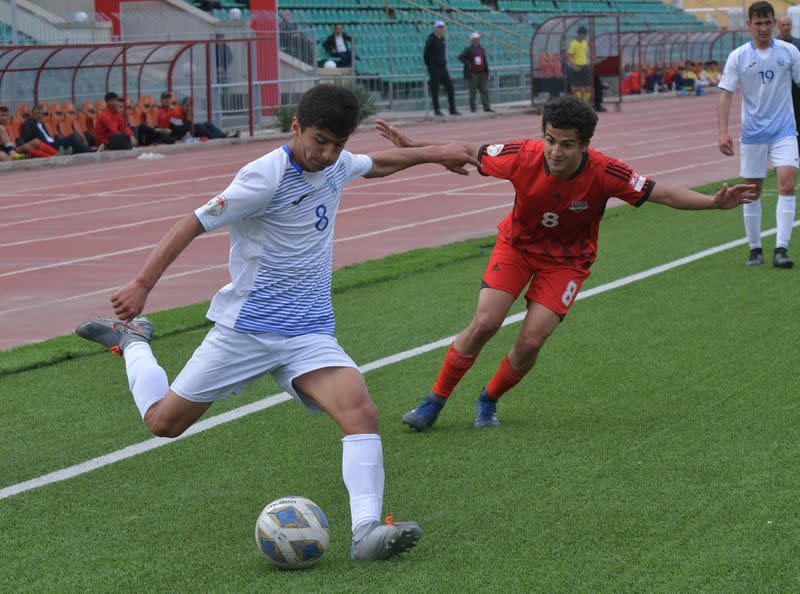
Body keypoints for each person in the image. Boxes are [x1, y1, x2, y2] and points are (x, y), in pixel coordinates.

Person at [74, 84, 478, 560]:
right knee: (164, 422)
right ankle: (134, 341)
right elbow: (191, 223)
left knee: (360, 411)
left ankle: (366, 531)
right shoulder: (263, 177)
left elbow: (376, 165)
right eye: (319, 141)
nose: (327, 155)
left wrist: (435, 155)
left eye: (337, 144)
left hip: (308, 333)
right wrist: (143, 285)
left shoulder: (336, 163)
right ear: (296, 128)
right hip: (246, 331)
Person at [374, 95, 754, 431]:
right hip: (517, 247)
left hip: (568, 263)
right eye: (551, 140)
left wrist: (713, 203)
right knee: (485, 322)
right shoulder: (523, 155)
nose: (555, 151)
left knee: (531, 340)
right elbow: (460, 149)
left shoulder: (607, 173)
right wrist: (413, 146)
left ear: (585, 145)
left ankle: (488, 399)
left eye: (567, 145)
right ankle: (433, 402)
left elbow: (663, 194)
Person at [718, 1, 800, 268]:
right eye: (758, 23)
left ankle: (781, 249)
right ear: (749, 25)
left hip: (784, 131)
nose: (763, 28)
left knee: (787, 184)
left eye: (768, 23)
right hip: (753, 134)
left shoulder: (789, 52)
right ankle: (755, 249)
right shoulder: (738, 56)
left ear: (774, 23)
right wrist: (723, 132)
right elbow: (726, 94)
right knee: (752, 191)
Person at [20, 103, 92, 154]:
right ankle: (91, 153)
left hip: (53, 143)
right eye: (37, 113)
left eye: (42, 114)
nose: (40, 116)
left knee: (74, 147)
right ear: (32, 113)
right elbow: (25, 138)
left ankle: (88, 153)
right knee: (72, 138)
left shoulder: (41, 123)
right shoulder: (30, 124)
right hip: (48, 146)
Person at [423, 20, 460, 116]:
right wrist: (430, 65)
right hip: (434, 68)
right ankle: (437, 110)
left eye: (443, 27)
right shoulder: (431, 39)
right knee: (435, 90)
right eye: (440, 27)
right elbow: (425, 54)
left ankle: (452, 109)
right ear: (436, 28)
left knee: (450, 88)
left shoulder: (442, 39)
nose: (442, 28)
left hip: (443, 67)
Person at [777, 15, 800, 154]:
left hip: (797, 90)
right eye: (783, 25)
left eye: (788, 25)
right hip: (780, 92)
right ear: (778, 26)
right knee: (782, 123)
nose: (786, 27)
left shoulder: (798, 43)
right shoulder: (774, 45)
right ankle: (782, 155)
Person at [458, 32, 493, 113]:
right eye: (476, 39)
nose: (478, 40)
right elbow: (461, 57)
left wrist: (486, 71)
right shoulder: (468, 49)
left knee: (484, 90)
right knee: (473, 91)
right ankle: (473, 108)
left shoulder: (481, 49)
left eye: (478, 39)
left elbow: (484, 60)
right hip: (473, 73)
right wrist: (468, 64)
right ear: (472, 40)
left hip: (482, 73)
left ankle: (486, 107)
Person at [567, 26, 591, 103]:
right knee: (577, 88)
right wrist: (574, 66)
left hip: (584, 66)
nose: (583, 37)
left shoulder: (585, 43)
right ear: (578, 34)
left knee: (588, 88)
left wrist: (594, 59)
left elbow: (587, 53)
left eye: (584, 35)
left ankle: (584, 103)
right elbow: (569, 56)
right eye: (582, 35)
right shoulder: (573, 44)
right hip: (576, 66)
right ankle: (579, 103)